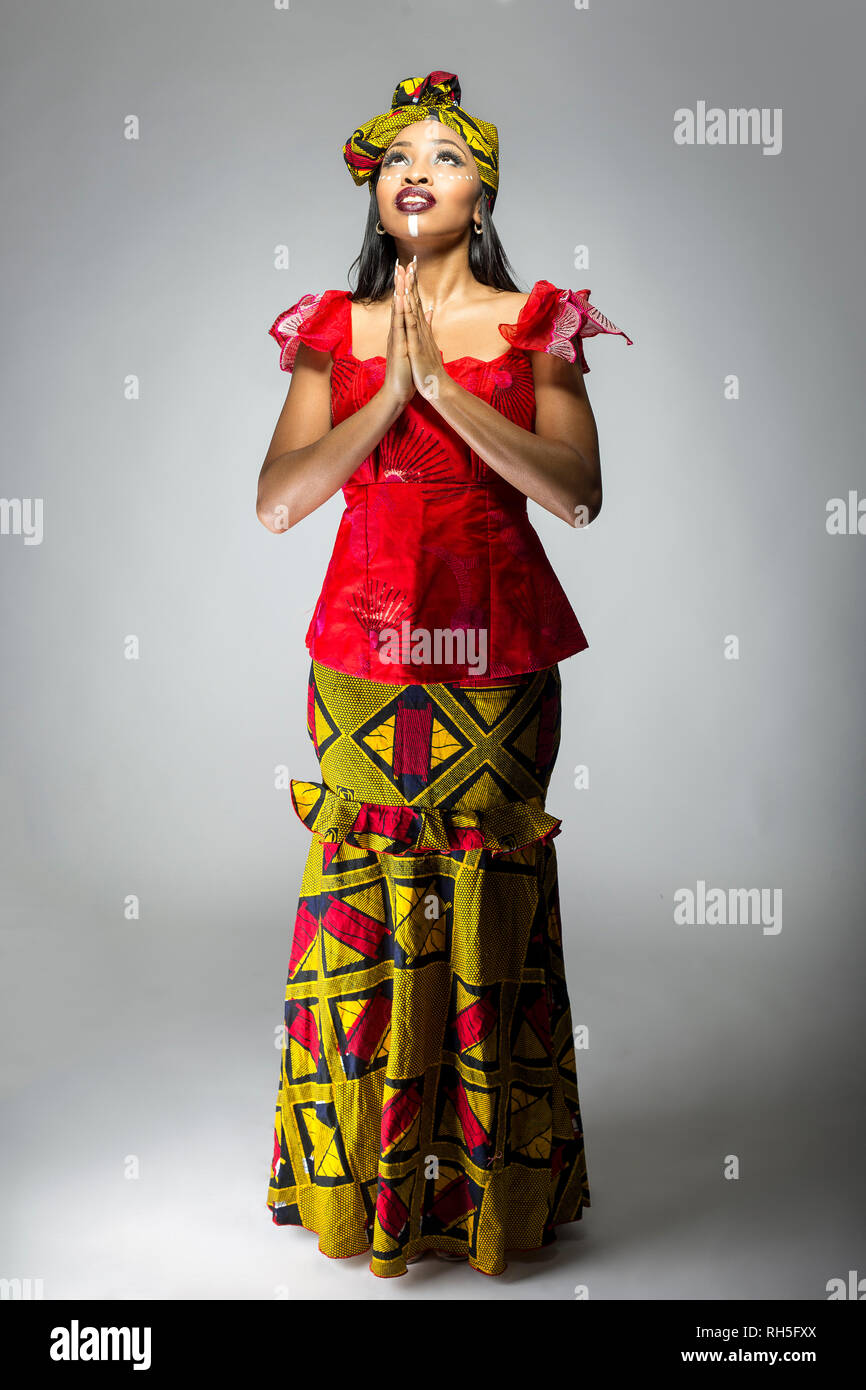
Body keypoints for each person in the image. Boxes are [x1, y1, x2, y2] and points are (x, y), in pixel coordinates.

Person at [256, 70, 632, 1280]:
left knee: (485, 884)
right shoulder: (328, 326)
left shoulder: (538, 325)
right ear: (372, 189)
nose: (417, 170)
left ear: (484, 192)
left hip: (496, 651)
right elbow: (278, 504)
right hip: (360, 662)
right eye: (395, 156)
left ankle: (490, 1195)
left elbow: (575, 496)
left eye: (447, 156)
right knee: (366, 889)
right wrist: (389, 400)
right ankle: (354, 1185)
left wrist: (453, 404)